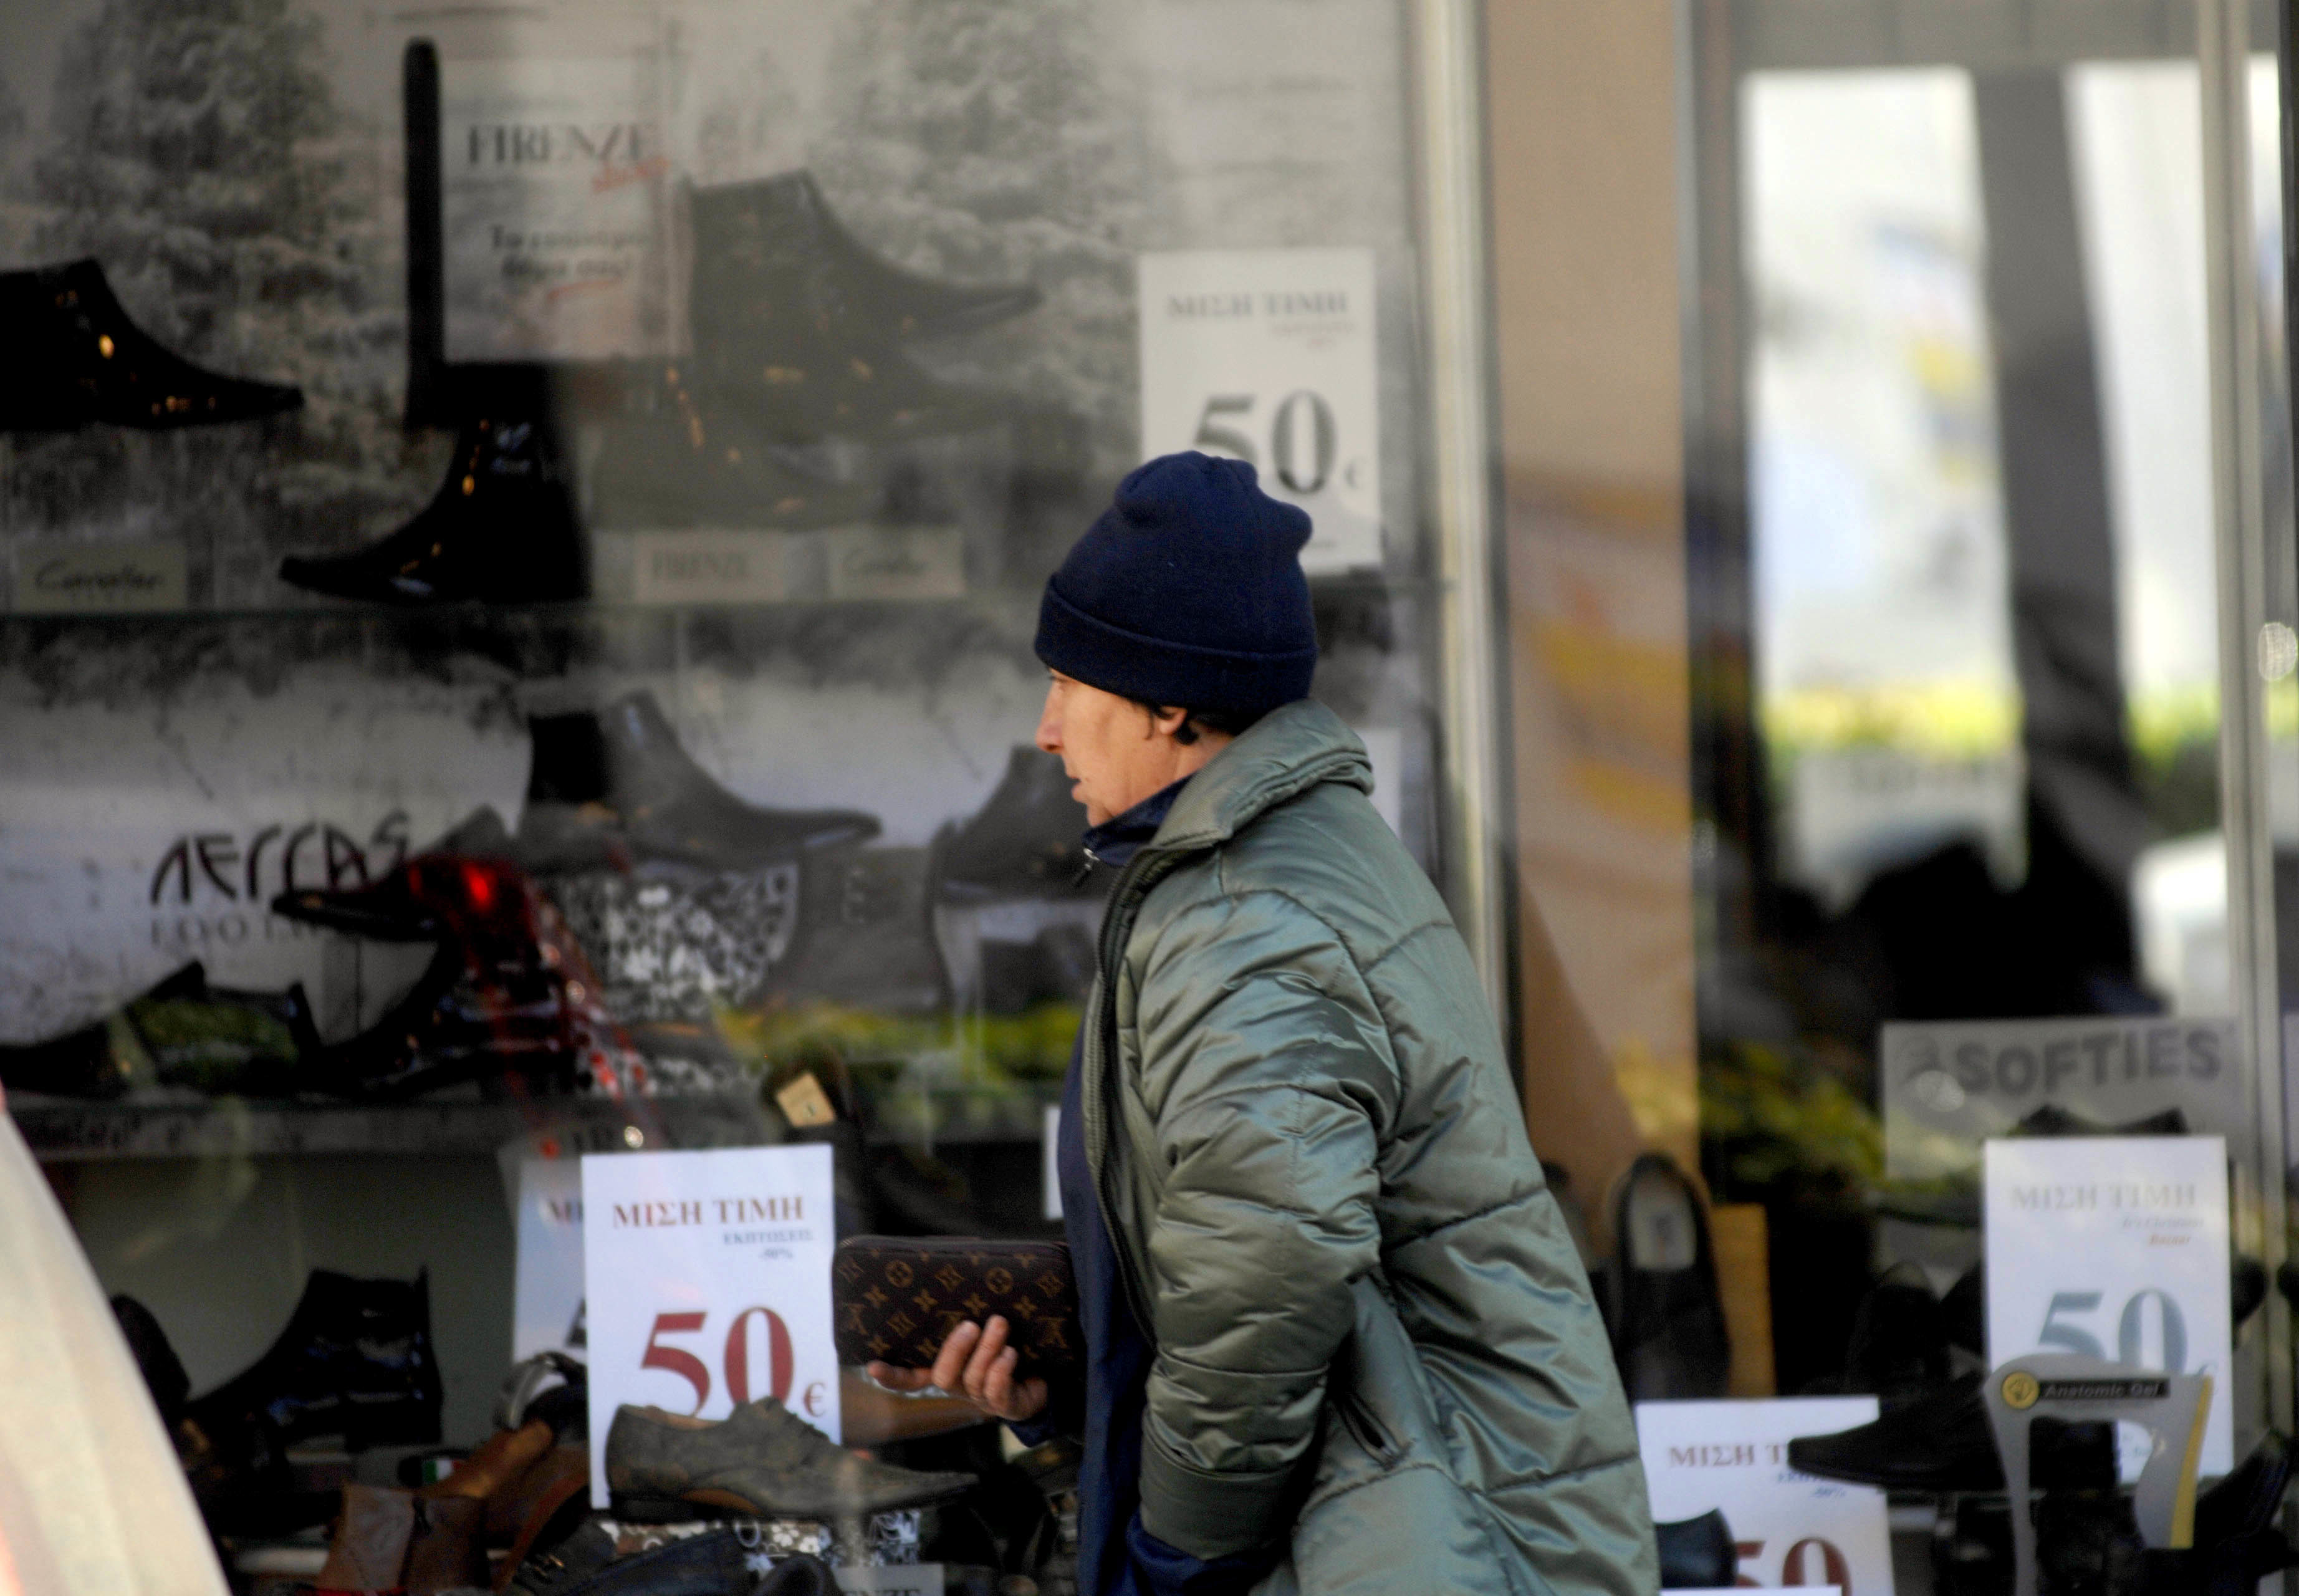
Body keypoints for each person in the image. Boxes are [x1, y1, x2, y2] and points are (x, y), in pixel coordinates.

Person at [870, 453, 1654, 1595]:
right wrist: (1071, 1394)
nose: (1045, 731)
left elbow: (1267, 1274)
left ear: (1171, 704)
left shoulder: (1244, 915)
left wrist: (1175, 1550)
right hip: (1415, 1516)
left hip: (1407, 1545)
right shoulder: (1277, 863)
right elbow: (1240, 1240)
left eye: (1070, 684)